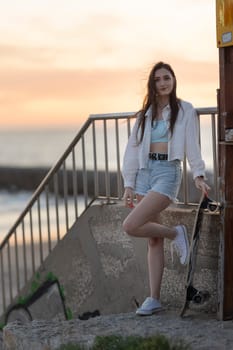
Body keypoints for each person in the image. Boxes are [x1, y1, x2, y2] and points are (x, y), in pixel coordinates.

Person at [121, 61, 210, 316]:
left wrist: (199, 175)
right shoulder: (145, 114)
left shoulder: (185, 110)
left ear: (173, 80)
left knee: (130, 225)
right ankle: (154, 298)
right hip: (143, 173)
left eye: (167, 78)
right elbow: (132, 149)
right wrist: (128, 183)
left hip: (167, 173)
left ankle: (176, 233)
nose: (163, 83)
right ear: (153, 83)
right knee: (152, 238)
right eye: (158, 79)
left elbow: (192, 146)